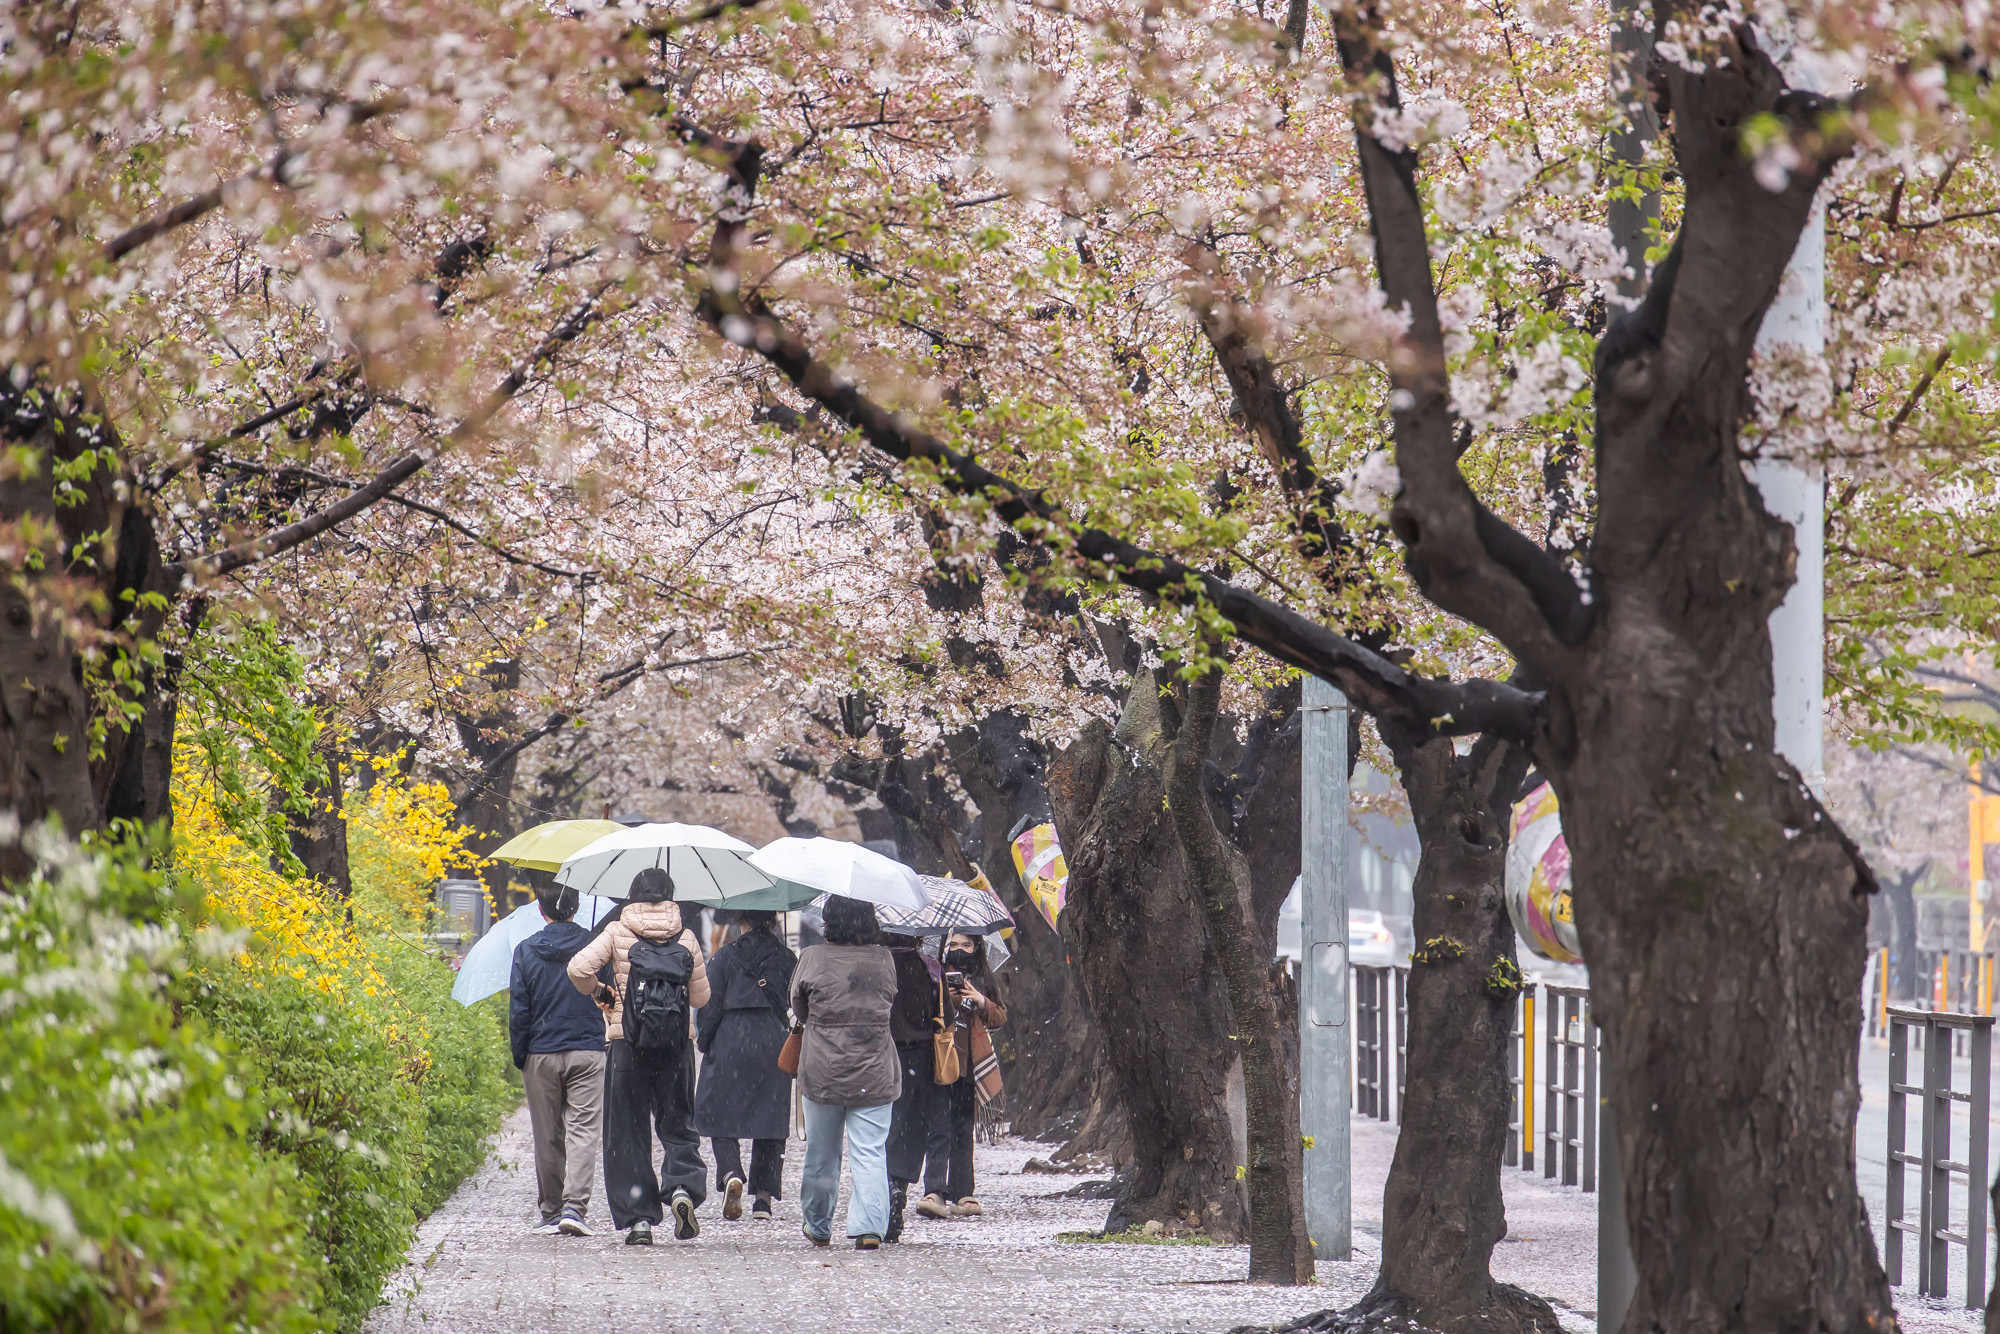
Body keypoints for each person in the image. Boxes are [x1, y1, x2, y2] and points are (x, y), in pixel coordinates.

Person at [566, 866, 710, 1246]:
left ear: (632, 895)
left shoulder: (616, 931)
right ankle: (681, 1187)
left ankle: (639, 1218)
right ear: (670, 896)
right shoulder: (687, 936)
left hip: (628, 1043)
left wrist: (602, 993)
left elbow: (578, 968)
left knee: (628, 1131)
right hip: (676, 1046)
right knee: (678, 1123)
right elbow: (701, 998)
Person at [790, 896, 899, 1250]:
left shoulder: (812, 958)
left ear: (829, 921)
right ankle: (869, 1227)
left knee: (822, 1153)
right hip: (874, 1069)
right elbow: (889, 1000)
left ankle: (819, 1225)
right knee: (869, 1152)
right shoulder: (884, 959)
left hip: (824, 1069)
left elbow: (797, 1004)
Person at [509, 884, 607, 1237]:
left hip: (541, 1052)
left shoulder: (525, 951)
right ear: (577, 906)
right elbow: (607, 996)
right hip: (588, 1048)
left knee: (547, 1133)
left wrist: (522, 1055)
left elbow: (519, 1011)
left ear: (540, 909)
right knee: (583, 1130)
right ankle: (575, 1209)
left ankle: (550, 1210)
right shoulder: (596, 946)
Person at [693, 909, 797, 1222]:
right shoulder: (787, 958)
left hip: (731, 1036)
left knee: (718, 1109)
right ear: (774, 920)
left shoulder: (724, 957)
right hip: (773, 1039)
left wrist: (706, 1040)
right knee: (770, 1114)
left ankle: (731, 1173)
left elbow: (709, 1006)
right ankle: (763, 1198)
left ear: (743, 921)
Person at [914, 930, 1007, 1221]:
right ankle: (935, 1190)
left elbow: (999, 1017)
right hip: (940, 1064)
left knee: (963, 1130)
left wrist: (979, 999)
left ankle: (964, 1190)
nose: (960, 950)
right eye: (953, 944)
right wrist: (946, 998)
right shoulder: (932, 974)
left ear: (977, 947)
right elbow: (922, 1011)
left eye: (967, 944)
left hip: (970, 1068)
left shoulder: (983, 980)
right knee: (938, 1128)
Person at [883, 930, 947, 1242]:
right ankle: (899, 1185)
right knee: (911, 1127)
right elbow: (943, 1013)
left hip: (882, 1054)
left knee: (883, 1124)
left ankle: (884, 1188)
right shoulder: (930, 967)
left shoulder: (877, 965)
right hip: (921, 1058)